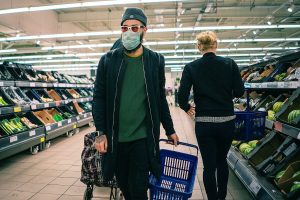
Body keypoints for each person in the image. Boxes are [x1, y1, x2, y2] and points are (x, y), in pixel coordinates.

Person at [92, 7, 179, 200]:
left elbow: (159, 98)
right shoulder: (108, 61)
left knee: (139, 190)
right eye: (124, 28)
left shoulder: (155, 60)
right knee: (124, 185)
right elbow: (98, 98)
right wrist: (100, 133)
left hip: (142, 138)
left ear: (144, 30)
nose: (129, 32)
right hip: (116, 140)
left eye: (134, 27)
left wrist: (170, 128)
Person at [178, 31, 244, 200]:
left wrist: (187, 107)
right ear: (216, 45)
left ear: (199, 47)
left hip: (204, 123)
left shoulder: (191, 67)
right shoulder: (229, 64)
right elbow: (239, 91)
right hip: (226, 122)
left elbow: (181, 96)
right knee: (222, 162)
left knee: (208, 166)